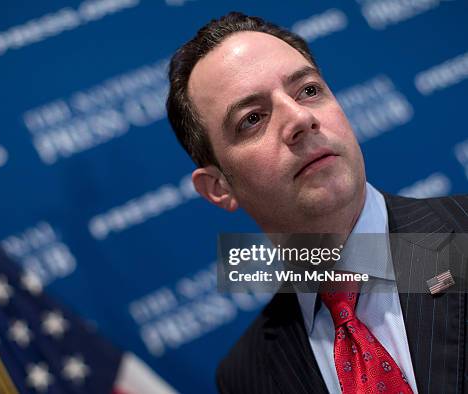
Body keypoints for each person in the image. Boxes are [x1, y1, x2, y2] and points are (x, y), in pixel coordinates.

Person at [166, 12, 468, 394]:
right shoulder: (246, 376)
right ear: (219, 187)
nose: (300, 118)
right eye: (253, 118)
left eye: (308, 90)